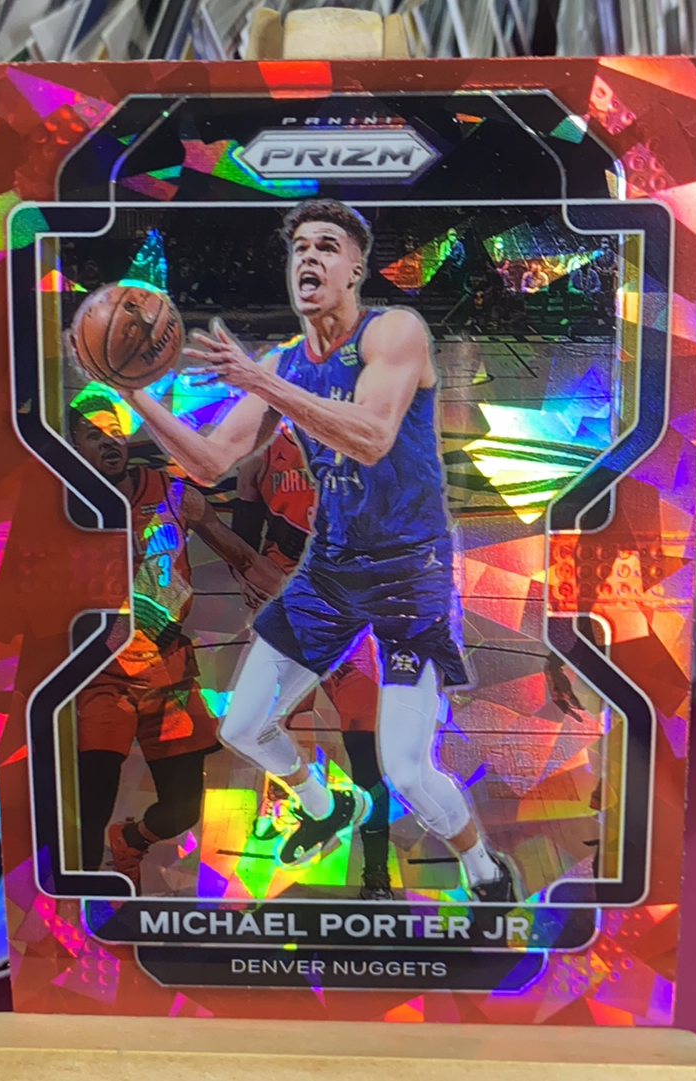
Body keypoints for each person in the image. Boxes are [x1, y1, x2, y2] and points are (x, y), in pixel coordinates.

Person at [122, 198, 517, 902]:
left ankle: (483, 869)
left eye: (328, 245)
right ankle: (326, 805)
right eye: (300, 246)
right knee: (242, 725)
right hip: (331, 572)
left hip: (408, 576)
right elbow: (210, 462)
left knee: (405, 767)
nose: (309, 256)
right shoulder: (283, 362)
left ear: (357, 267)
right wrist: (132, 392)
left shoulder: (393, 331)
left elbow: (372, 436)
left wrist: (263, 382)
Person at [69, 389, 284, 891]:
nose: (109, 443)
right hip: (102, 673)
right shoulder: (64, 506)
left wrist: (303, 601)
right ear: (73, 446)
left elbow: (243, 557)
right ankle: (80, 905)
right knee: (90, 806)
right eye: (94, 436)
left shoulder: (173, 492)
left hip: (167, 670)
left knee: (184, 808)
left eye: (115, 432)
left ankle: (131, 840)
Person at [232, 426, 393, 900]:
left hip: (344, 609)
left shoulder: (361, 435)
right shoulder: (264, 443)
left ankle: (376, 873)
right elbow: (245, 535)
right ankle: (298, 823)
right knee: (269, 728)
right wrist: (248, 575)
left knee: (362, 738)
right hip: (286, 599)